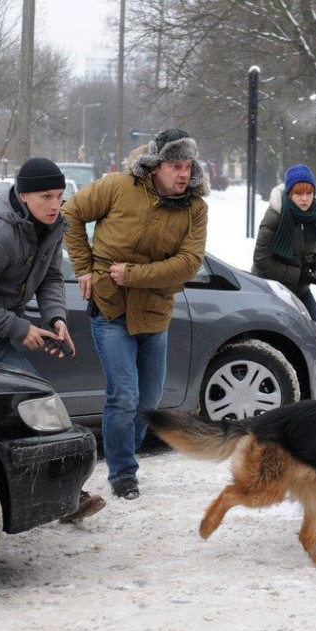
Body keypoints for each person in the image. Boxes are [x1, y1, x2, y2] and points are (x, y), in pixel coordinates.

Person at [0, 157, 105, 523]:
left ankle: (48, 497)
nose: (54, 204)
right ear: (23, 194)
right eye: (46, 196)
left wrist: (55, 318)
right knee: (37, 403)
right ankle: (61, 499)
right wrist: (21, 330)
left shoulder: (51, 225)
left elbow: (49, 278)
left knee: (22, 413)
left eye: (60, 195)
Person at [62, 128, 208, 500]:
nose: (183, 174)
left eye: (188, 166)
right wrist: (83, 268)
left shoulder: (195, 209)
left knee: (148, 401)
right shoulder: (117, 186)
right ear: (155, 165)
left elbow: (188, 263)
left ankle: (124, 443)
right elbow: (71, 214)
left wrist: (134, 274)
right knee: (122, 396)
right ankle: (123, 470)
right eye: (175, 165)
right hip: (110, 309)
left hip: (155, 313)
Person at [251, 163, 316, 333]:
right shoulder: (275, 216)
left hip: (300, 290)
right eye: (298, 193)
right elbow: (261, 260)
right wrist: (300, 276)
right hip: (271, 289)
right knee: (282, 336)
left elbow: (315, 253)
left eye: (308, 193)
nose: (304, 198)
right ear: (289, 194)